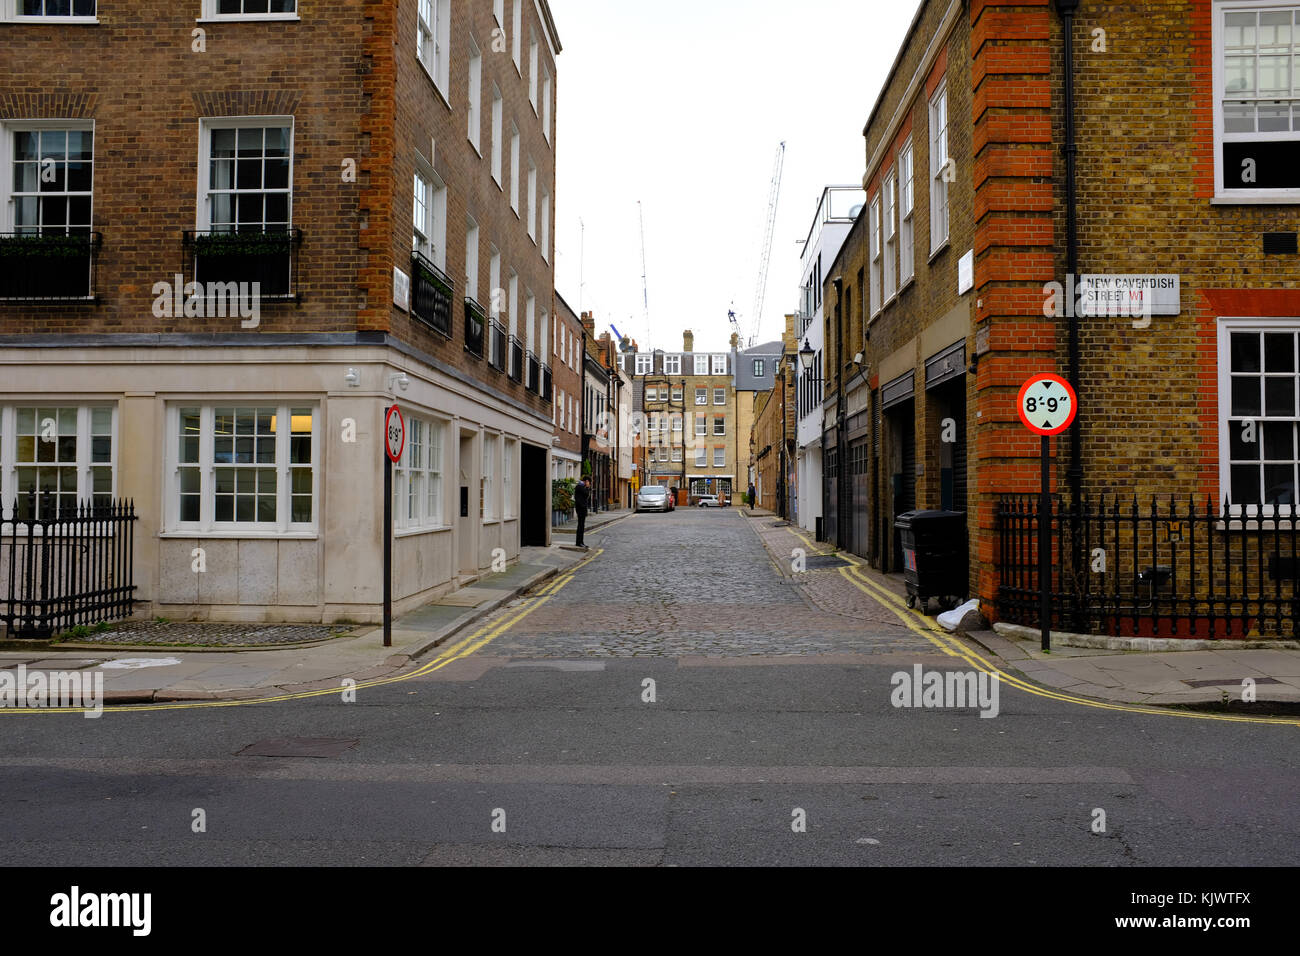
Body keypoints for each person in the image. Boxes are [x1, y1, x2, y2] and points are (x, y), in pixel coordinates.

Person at [574, 478, 589, 548]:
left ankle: (580, 542)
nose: (589, 484)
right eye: (588, 482)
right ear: (586, 481)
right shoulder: (580, 487)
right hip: (581, 509)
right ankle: (579, 542)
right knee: (581, 526)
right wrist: (588, 487)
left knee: (581, 526)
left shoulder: (580, 486)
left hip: (581, 508)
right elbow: (586, 494)